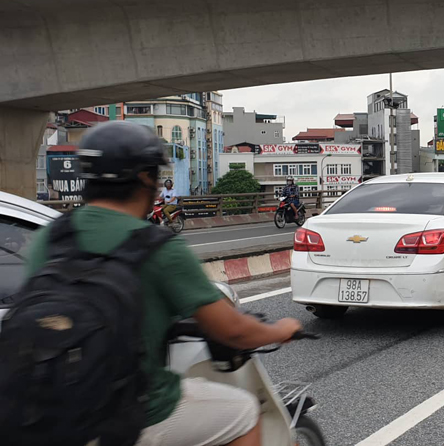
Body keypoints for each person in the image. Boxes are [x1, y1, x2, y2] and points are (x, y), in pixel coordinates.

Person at [25, 121, 303, 446]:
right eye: (155, 174)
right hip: (133, 411)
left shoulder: (49, 237)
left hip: (50, 410)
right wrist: (281, 330)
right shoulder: (156, 246)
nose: (158, 185)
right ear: (144, 177)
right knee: (243, 413)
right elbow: (233, 331)